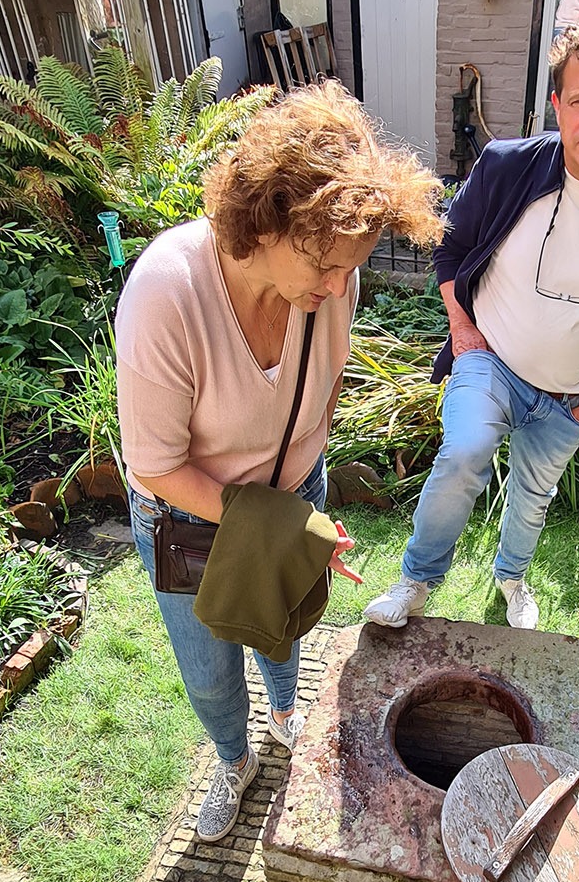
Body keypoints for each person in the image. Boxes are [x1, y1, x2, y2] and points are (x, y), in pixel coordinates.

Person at [118, 81, 443, 841]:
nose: (337, 289)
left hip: (292, 492)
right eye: (324, 268)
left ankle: (289, 713)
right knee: (208, 666)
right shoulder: (169, 294)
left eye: (349, 269)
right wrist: (282, 527)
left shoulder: (334, 276)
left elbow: (320, 391)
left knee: (285, 625)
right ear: (263, 222)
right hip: (189, 516)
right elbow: (157, 467)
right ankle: (234, 759)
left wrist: (301, 503)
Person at [364, 10, 579, 633]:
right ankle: (416, 582)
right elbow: (450, 247)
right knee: (465, 453)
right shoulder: (509, 168)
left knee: (532, 498)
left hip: (570, 396)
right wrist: (461, 327)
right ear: (557, 103)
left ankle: (511, 578)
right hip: (491, 361)